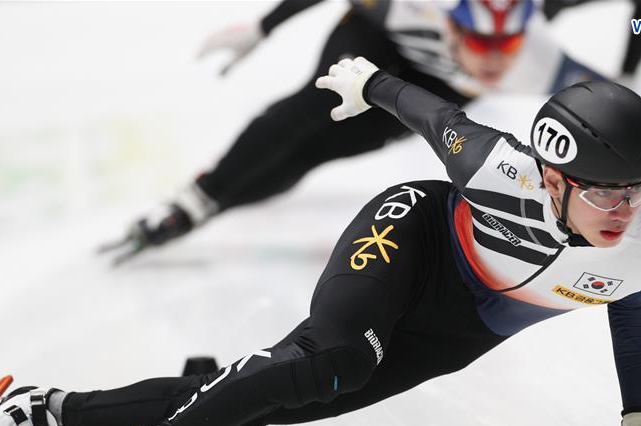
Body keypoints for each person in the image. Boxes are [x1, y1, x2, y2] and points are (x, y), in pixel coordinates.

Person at [0, 57, 641, 426]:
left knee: (272, 399)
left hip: (457, 332)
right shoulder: (495, 166)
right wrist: (367, 81)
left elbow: (630, 307)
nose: (623, 211)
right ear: (552, 176)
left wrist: (638, 423)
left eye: (637, 190)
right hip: (411, 235)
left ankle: (45, 409)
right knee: (331, 359)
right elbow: (433, 113)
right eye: (604, 192)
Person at [102, 0, 609, 263]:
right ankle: (195, 199)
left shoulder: (542, 64)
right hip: (375, 41)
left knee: (322, 149)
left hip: (426, 83)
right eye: (480, 39)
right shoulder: (411, 6)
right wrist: (263, 26)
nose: (496, 56)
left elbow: (608, 112)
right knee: (316, 106)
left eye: (509, 42)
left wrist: (634, 64)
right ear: (452, 26)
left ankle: (208, 204)